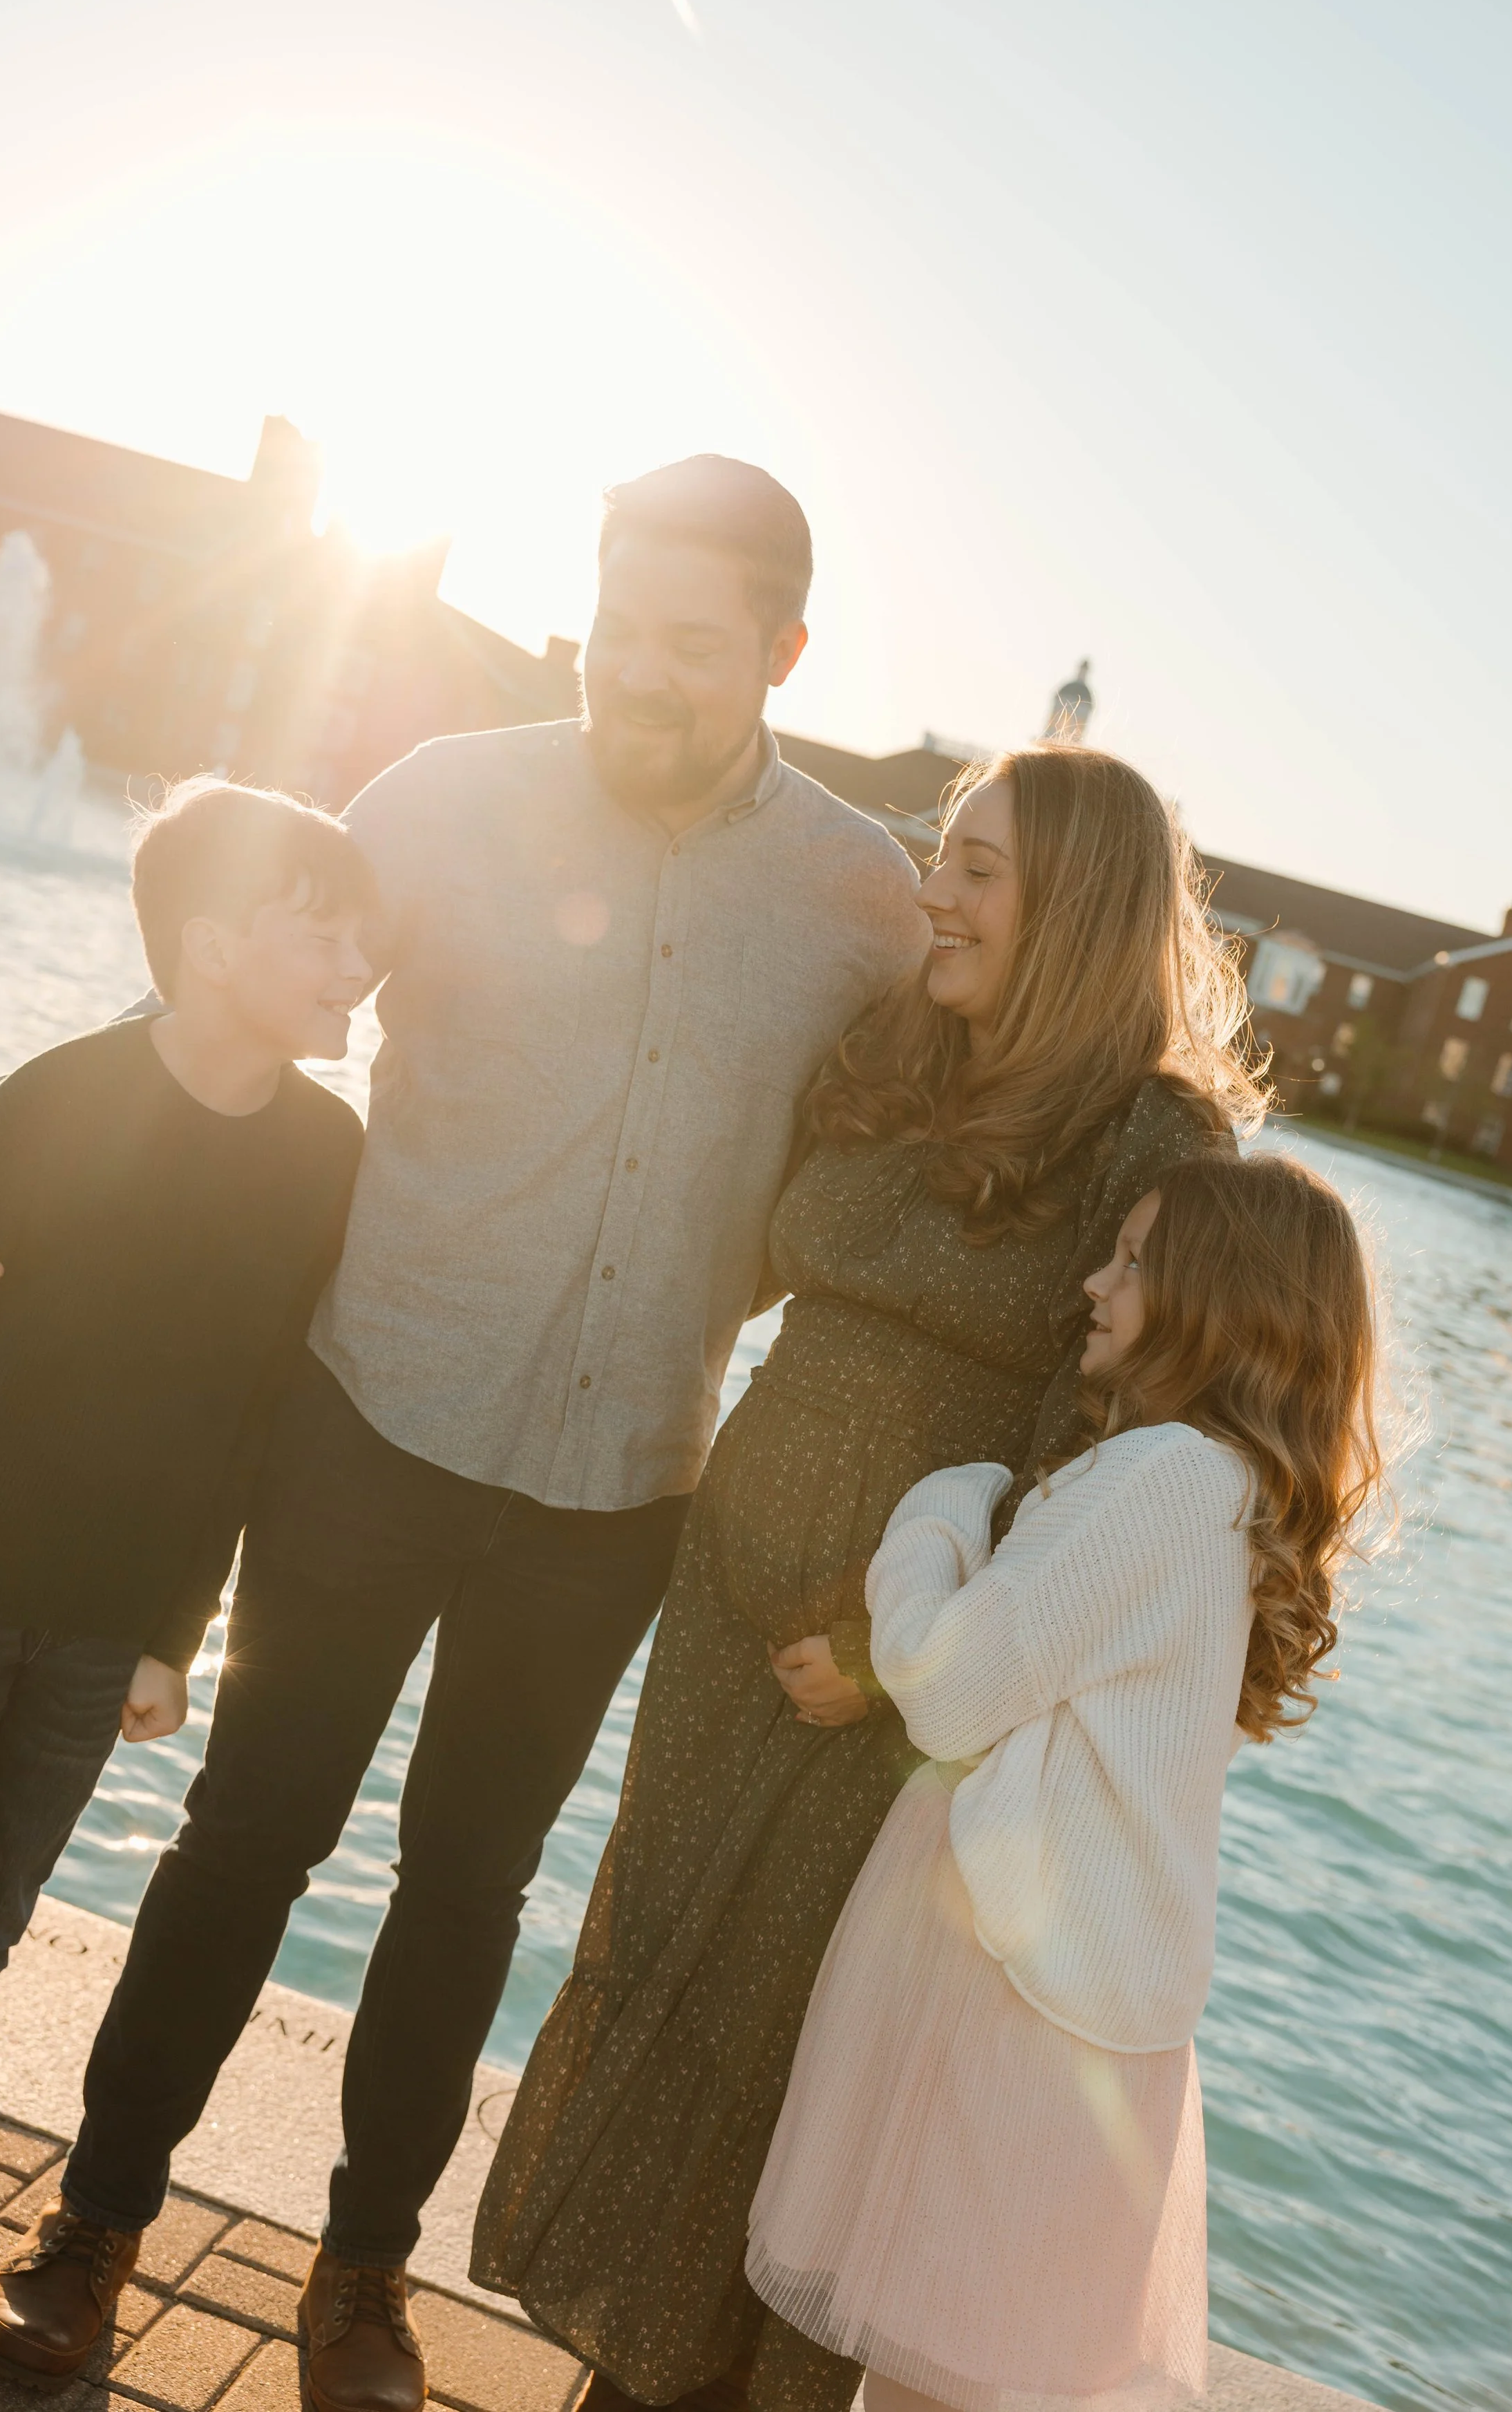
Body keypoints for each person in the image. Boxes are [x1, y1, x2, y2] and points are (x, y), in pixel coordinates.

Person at [0, 458, 927, 2412]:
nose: (640, 675)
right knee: (247, 1837)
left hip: (618, 1486)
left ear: (783, 652)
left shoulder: (866, 893)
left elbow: (981, 1099)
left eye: (692, 647)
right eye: (617, 625)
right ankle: (94, 2229)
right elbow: (209, 1011)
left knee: (466, 1890)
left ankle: (360, 2277)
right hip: (364, 1423)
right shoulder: (434, 803)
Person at [471, 739, 1270, 2412]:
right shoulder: (896, 1047)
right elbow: (692, 1207)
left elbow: (1093, 1431)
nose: (936, 890)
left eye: (980, 869)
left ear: (1078, 905)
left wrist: (879, 1644)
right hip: (718, 1611)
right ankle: (616, 2373)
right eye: (941, 852)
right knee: (661, 1967)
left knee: (790, 2039)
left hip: (893, 1665)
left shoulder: (1150, 1136)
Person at [0, 782, 370, 2412]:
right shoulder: (52, 1104)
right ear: (205, 950)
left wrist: (169, 1635)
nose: (360, 959)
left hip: (91, 1638)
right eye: (318, 926)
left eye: (363, 929)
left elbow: (250, 1416)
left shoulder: (329, 1157)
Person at [746, 1153, 1387, 2412]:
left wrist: (942, 1507)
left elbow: (947, 1683)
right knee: (950, 2369)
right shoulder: (1209, 1490)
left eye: (1137, 1261)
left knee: (949, 2372)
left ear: (1224, 1300)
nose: (1096, 1282)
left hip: (1018, 2001)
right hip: (1058, 1985)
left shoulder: (1165, 1482)